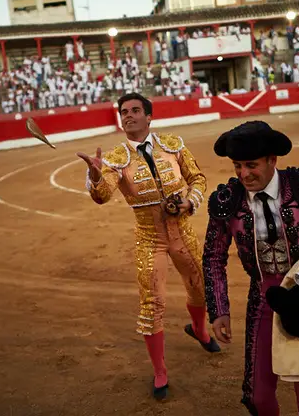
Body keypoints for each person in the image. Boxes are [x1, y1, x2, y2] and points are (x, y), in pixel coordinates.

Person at [202, 121, 299, 415]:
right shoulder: (229, 200)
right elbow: (213, 256)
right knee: (258, 396)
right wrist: (219, 308)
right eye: (237, 165)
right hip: (262, 298)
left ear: (272, 160)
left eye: (251, 165)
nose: (243, 174)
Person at [77, 92, 219, 401]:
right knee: (152, 304)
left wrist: (188, 201)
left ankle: (199, 329)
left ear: (149, 116)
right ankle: (159, 370)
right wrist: (95, 173)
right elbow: (102, 196)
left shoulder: (173, 144)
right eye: (123, 111)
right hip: (149, 238)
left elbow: (198, 179)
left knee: (200, 288)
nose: (128, 115)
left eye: (134, 110)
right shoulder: (116, 159)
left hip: (182, 231)